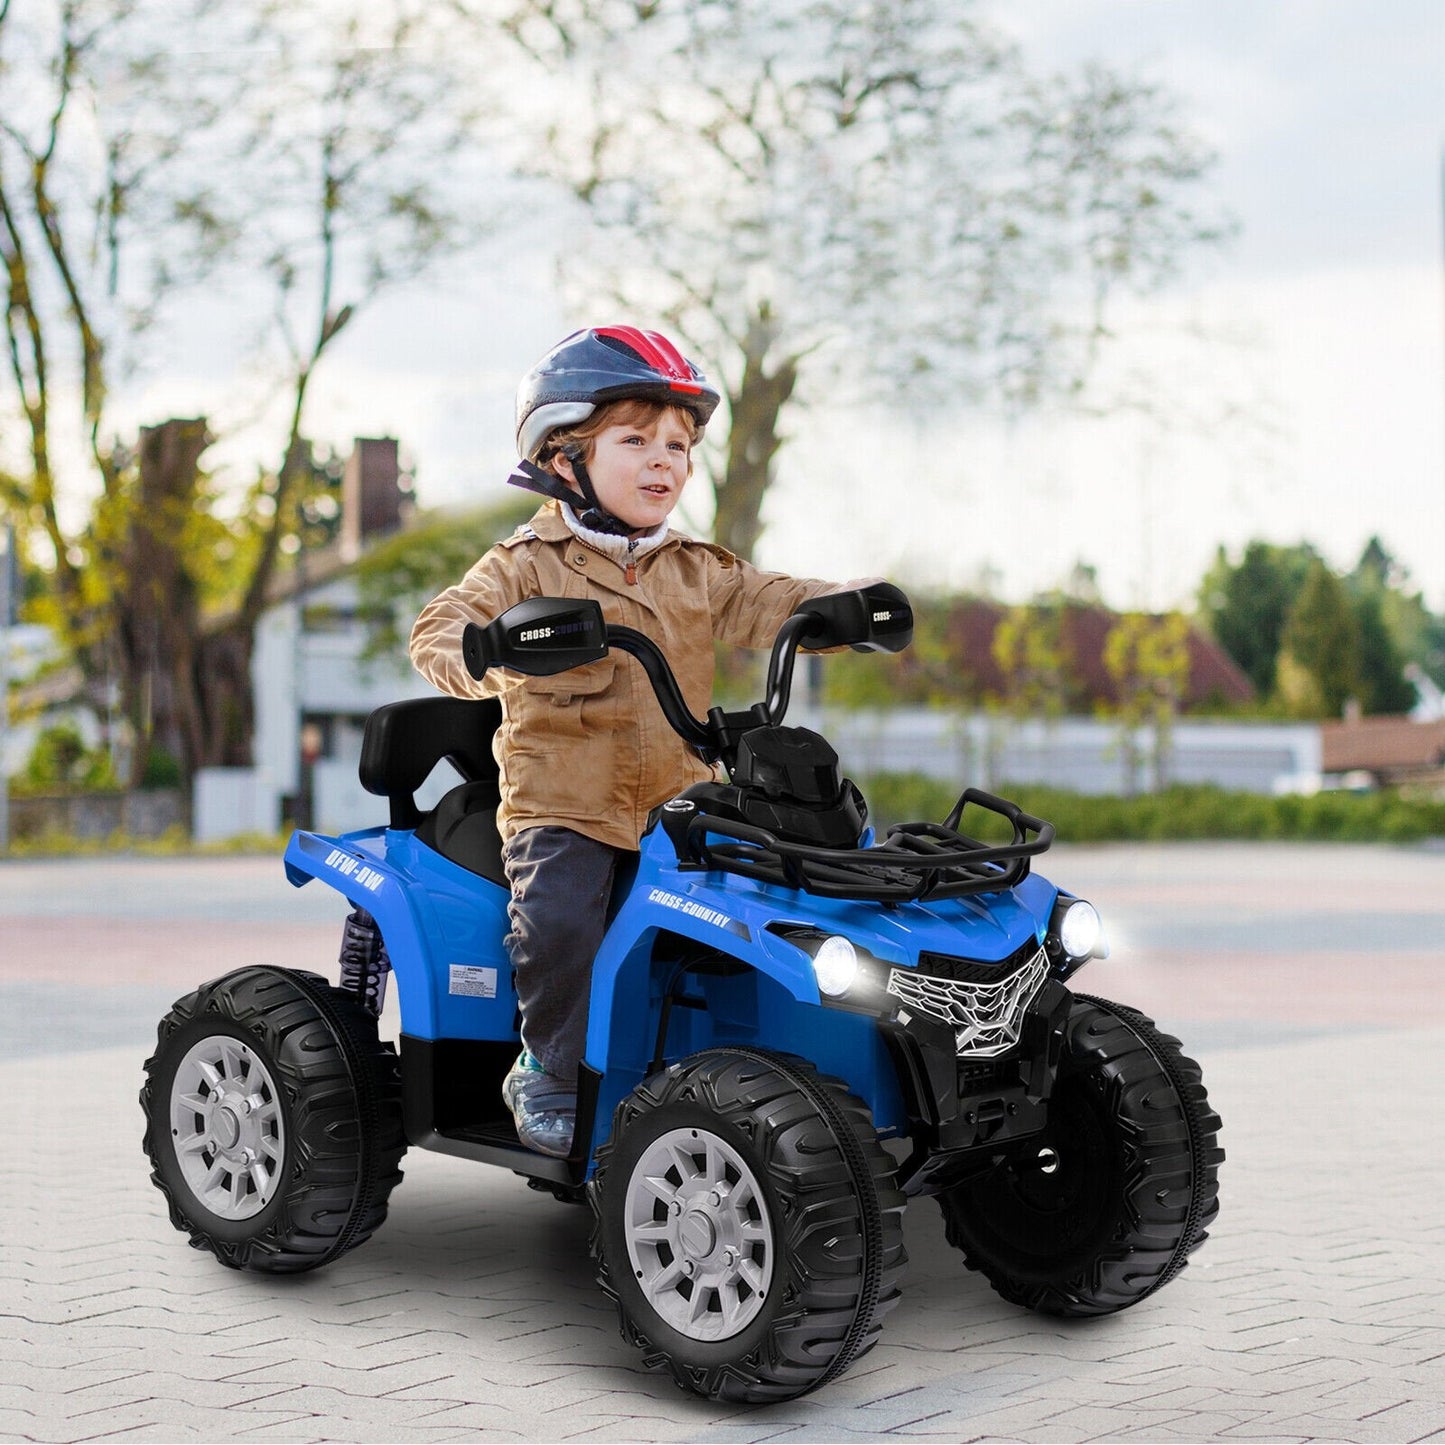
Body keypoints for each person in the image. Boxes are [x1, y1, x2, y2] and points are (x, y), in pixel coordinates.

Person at [409, 325, 856, 1156]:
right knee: (562, 921)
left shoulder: (694, 566)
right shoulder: (522, 563)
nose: (665, 461)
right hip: (565, 805)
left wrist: (846, 605)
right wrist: (481, 647)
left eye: (679, 445)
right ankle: (546, 1065)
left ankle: (772, 1065)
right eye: (636, 440)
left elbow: (770, 597)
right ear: (561, 456)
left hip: (680, 800)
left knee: (776, 901)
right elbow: (442, 625)